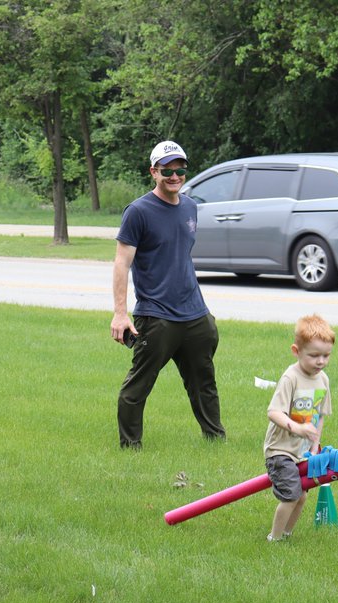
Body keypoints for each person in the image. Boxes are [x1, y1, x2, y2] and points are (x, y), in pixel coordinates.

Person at [110, 140, 225, 449]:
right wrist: (120, 313)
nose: (174, 176)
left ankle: (215, 439)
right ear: (154, 172)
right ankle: (130, 447)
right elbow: (122, 262)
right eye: (167, 171)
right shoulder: (138, 212)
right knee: (138, 386)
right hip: (156, 315)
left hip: (194, 312)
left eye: (180, 169)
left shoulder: (189, 206)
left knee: (204, 381)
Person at [263, 314, 335, 542]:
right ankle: (273, 539)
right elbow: (273, 412)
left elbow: (321, 416)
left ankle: (286, 534)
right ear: (296, 351)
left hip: (302, 452)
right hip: (280, 451)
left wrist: (315, 445)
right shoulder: (290, 378)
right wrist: (297, 428)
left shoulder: (323, 379)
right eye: (314, 355)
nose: (321, 361)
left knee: (302, 496)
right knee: (292, 495)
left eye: (326, 355)